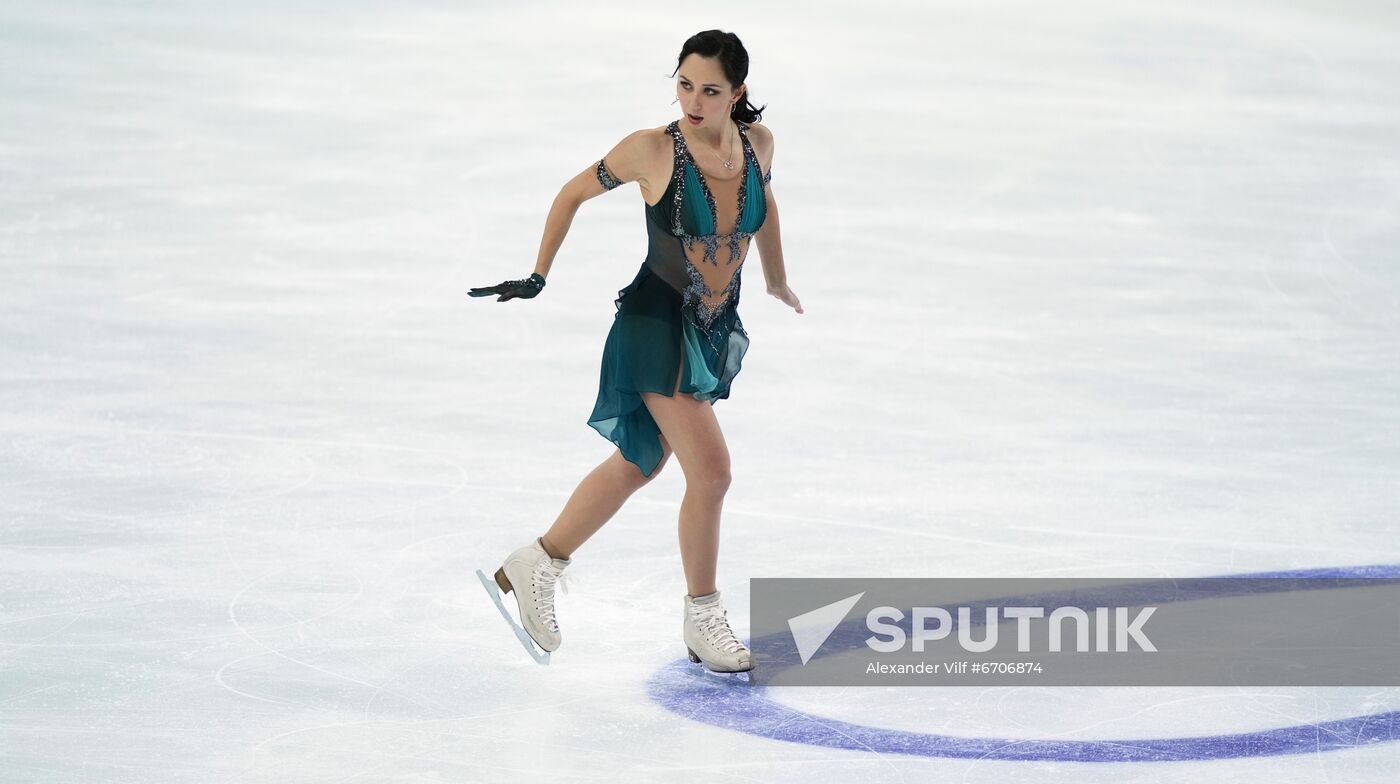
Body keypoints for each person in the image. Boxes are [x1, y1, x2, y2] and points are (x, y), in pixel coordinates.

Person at [470, 30, 802, 673]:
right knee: (712, 473)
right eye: (683, 84)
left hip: (706, 325)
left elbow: (767, 206)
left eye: (710, 90)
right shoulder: (652, 149)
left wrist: (775, 276)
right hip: (654, 325)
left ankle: (536, 560)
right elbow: (571, 193)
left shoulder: (757, 145)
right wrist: (539, 275)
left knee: (638, 465)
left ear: (737, 93)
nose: (694, 101)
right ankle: (704, 617)